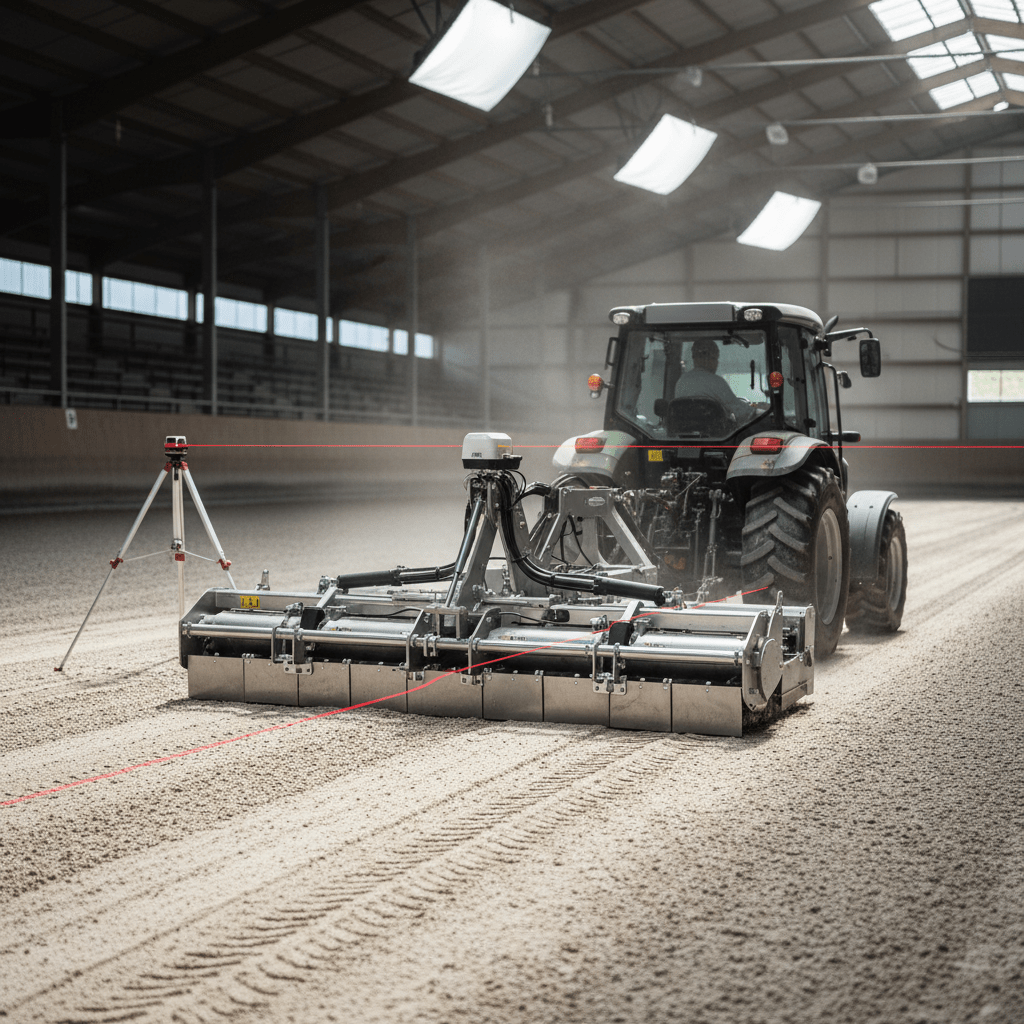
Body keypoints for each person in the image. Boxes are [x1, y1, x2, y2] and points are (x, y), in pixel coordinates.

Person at [674, 338, 750, 418]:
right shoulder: (716, 382)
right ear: (707, 359)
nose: (717, 363)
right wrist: (759, 410)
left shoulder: (681, 381)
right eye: (715, 359)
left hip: (683, 430)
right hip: (714, 430)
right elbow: (742, 411)